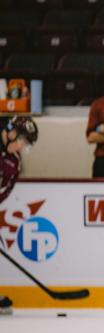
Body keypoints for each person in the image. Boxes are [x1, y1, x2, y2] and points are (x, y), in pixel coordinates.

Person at [0, 115, 39, 315]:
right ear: (12, 133)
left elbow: (4, 191)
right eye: (23, 142)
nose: (22, 147)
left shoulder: (13, 163)